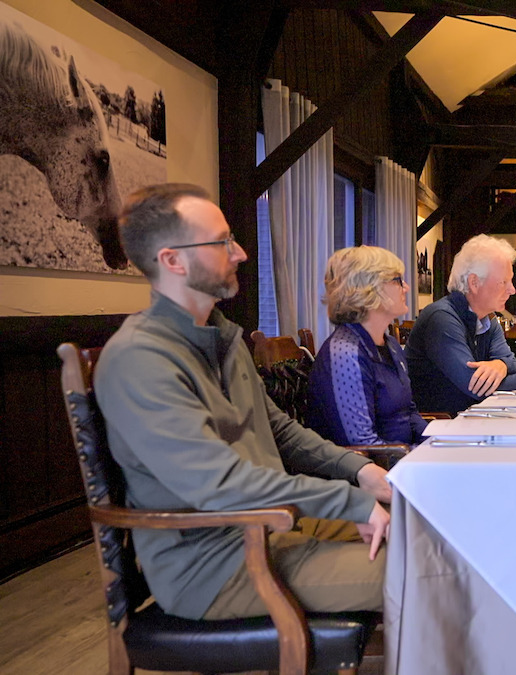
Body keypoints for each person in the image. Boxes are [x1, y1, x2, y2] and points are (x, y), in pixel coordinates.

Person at [94, 184, 390, 621]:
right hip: (217, 568)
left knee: (432, 536)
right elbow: (224, 484)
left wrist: (360, 471)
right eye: (221, 242)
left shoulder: (220, 335)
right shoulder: (139, 359)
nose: (240, 253)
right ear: (173, 261)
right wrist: (350, 502)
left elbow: (278, 430)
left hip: (277, 526)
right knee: (435, 572)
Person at [307, 246, 427, 446]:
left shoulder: (390, 344)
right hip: (372, 471)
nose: (406, 287)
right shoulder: (345, 354)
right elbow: (363, 445)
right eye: (398, 280)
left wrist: (440, 441)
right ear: (369, 289)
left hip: (402, 460)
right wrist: (425, 458)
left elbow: (408, 413)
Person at [407, 234, 516, 415]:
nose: (512, 290)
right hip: (436, 430)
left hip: (469, 422)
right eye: (504, 281)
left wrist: (502, 364)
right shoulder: (441, 318)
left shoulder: (488, 319)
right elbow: (475, 385)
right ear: (474, 283)